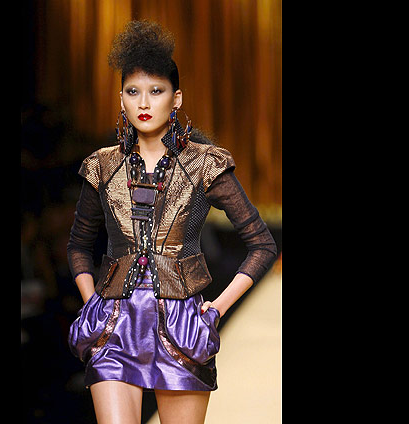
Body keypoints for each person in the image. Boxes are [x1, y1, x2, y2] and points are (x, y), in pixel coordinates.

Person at [66, 20, 277, 424]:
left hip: (181, 327)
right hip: (113, 327)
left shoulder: (203, 163)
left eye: (157, 91)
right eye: (133, 91)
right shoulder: (102, 166)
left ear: (176, 98)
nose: (144, 102)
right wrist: (91, 300)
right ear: (121, 99)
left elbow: (262, 243)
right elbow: (78, 244)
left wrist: (216, 310)